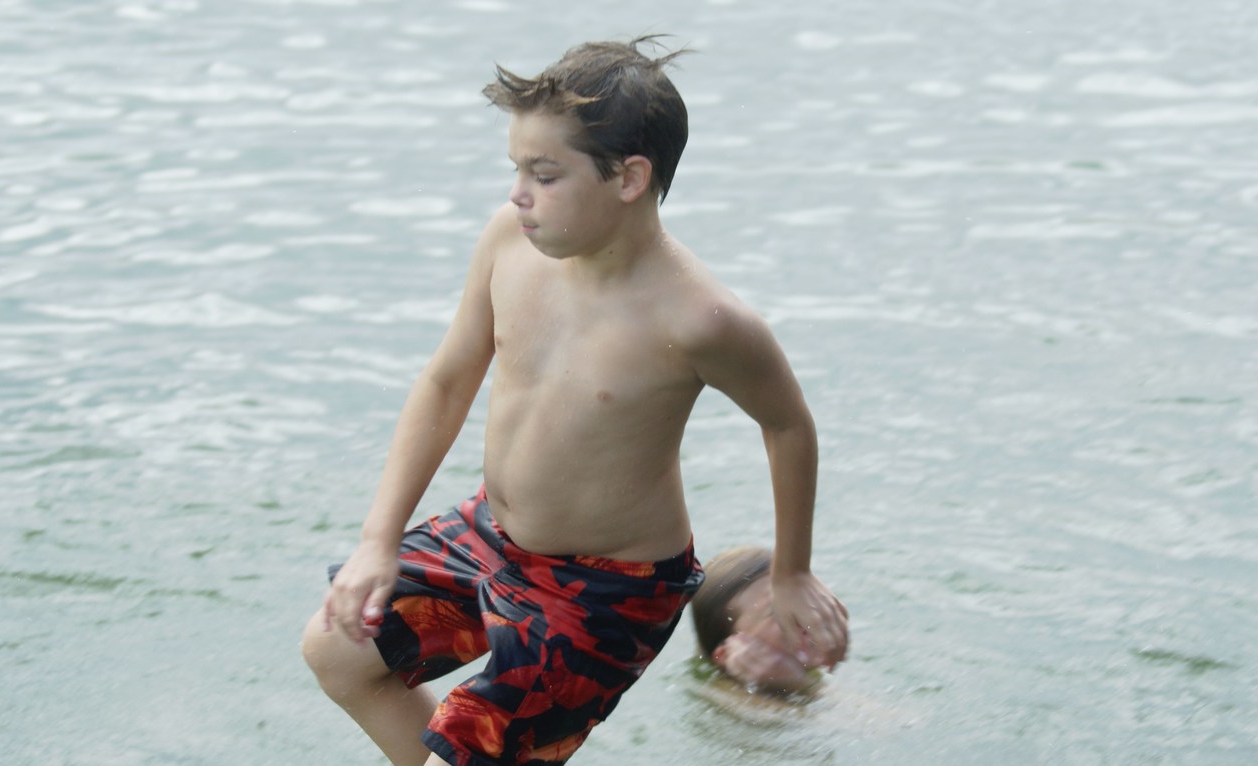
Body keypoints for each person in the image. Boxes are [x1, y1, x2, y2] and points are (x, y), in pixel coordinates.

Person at [300, 35, 850, 766]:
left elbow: (787, 425)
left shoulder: (699, 319)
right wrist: (378, 539)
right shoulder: (508, 243)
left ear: (629, 178)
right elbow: (446, 381)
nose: (517, 193)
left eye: (545, 174)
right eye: (516, 169)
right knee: (337, 650)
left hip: (605, 590)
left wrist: (792, 572)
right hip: (495, 535)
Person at [692, 546, 843, 696]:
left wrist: (799, 684)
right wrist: (801, 687)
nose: (805, 615)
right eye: (776, 611)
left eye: (801, 599)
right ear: (728, 653)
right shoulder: (727, 700)